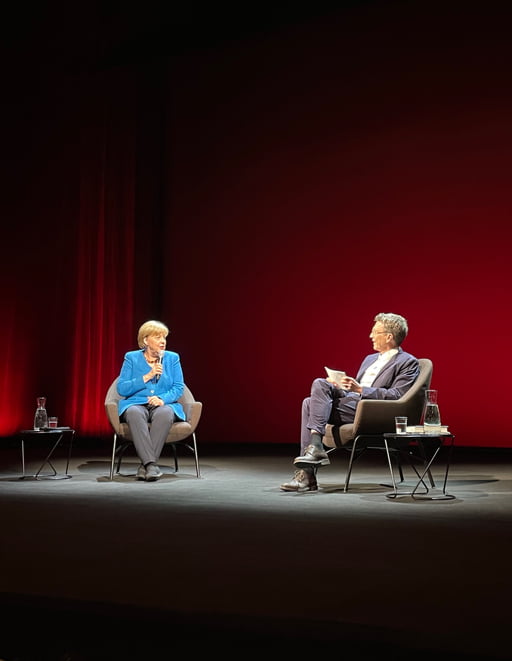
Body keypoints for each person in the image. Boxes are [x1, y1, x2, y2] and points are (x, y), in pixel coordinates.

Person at [280, 312, 419, 492]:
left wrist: (360, 390)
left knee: (309, 404)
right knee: (320, 384)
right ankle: (314, 449)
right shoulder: (370, 359)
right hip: (353, 403)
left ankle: (308, 473)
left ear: (389, 336)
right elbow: (354, 390)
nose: (370, 336)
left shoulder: (408, 362)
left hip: (372, 411)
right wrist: (342, 385)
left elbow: (397, 395)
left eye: (375, 332)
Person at [117, 320, 185, 482]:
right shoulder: (131, 358)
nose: (163, 341)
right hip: (136, 403)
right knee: (133, 412)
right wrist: (147, 376)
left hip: (162, 404)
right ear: (146, 340)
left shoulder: (172, 358)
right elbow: (122, 388)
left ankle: (146, 466)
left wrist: (163, 399)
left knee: (166, 413)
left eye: (164, 337)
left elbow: (178, 387)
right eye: (158, 337)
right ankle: (151, 465)